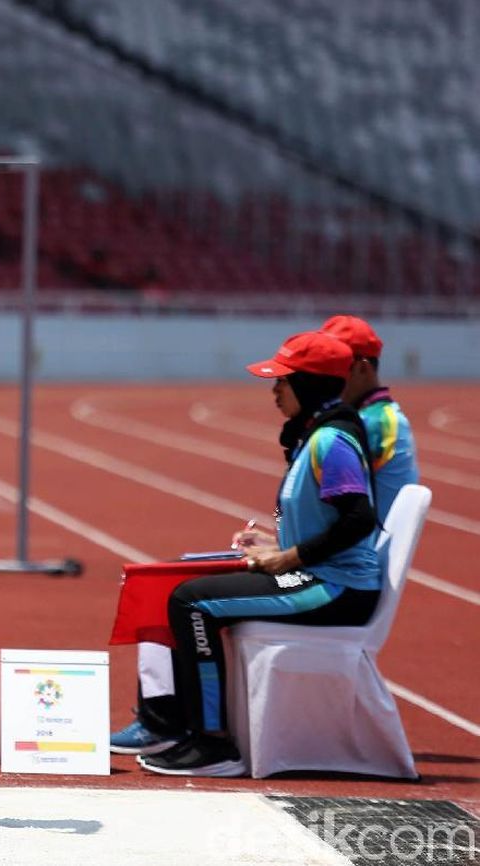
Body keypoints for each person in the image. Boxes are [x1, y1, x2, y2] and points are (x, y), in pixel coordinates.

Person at [111, 315, 421, 759]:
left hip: (335, 585)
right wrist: (279, 548)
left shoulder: (332, 440)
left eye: (282, 382)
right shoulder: (312, 435)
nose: (273, 392)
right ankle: (167, 721)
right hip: (321, 573)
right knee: (175, 576)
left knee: (191, 601)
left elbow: (358, 519)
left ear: (310, 386)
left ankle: (211, 743)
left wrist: (290, 557)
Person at [320, 314, 419, 520]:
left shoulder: (374, 422)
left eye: (333, 366)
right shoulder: (372, 415)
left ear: (363, 368)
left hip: (366, 550)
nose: (322, 375)